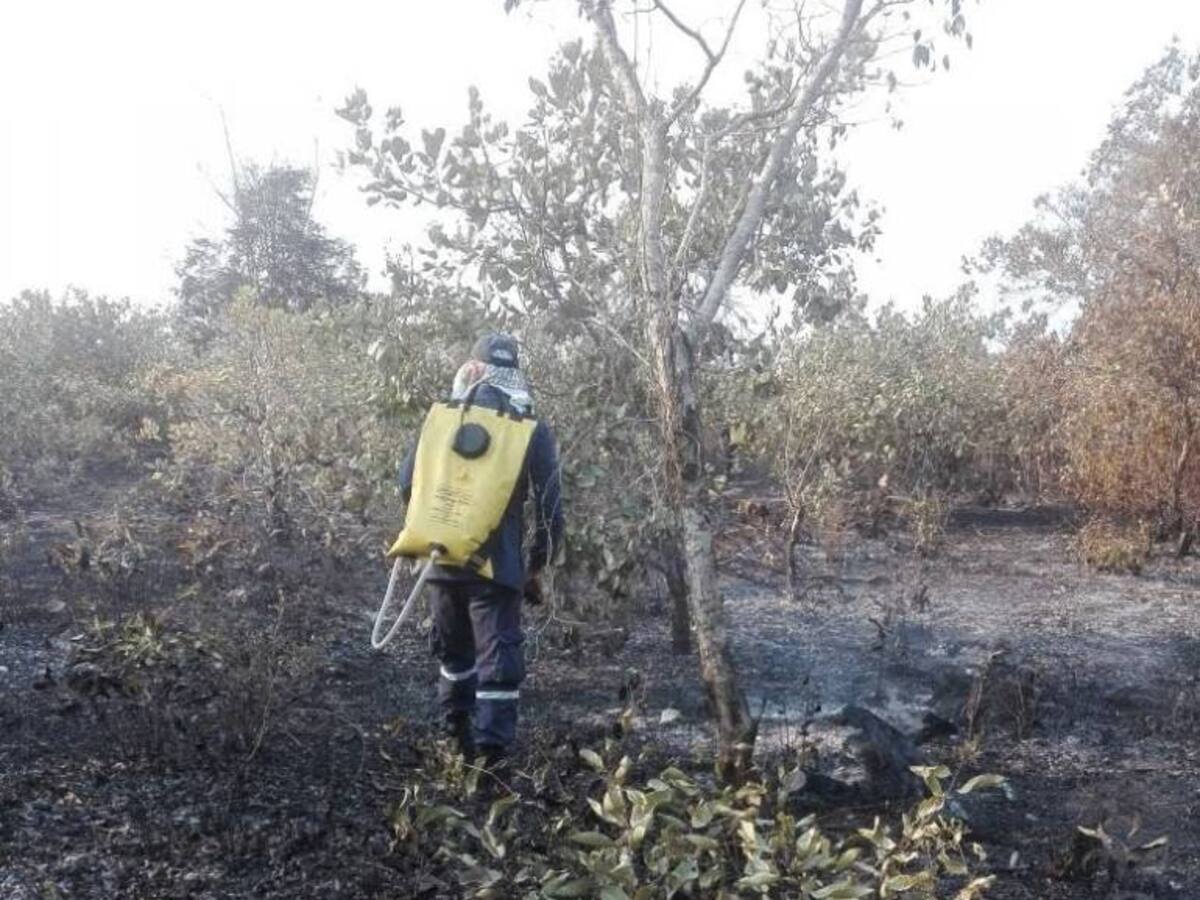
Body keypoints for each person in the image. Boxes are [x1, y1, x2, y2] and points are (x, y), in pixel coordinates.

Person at [398, 333, 563, 765]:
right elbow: (550, 506)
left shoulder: (440, 418)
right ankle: (490, 767)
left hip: (441, 558)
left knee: (455, 655)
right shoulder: (531, 429)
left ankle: (456, 738)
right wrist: (537, 564)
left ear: (472, 370)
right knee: (498, 664)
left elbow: (405, 483)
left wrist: (440, 526)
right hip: (498, 566)